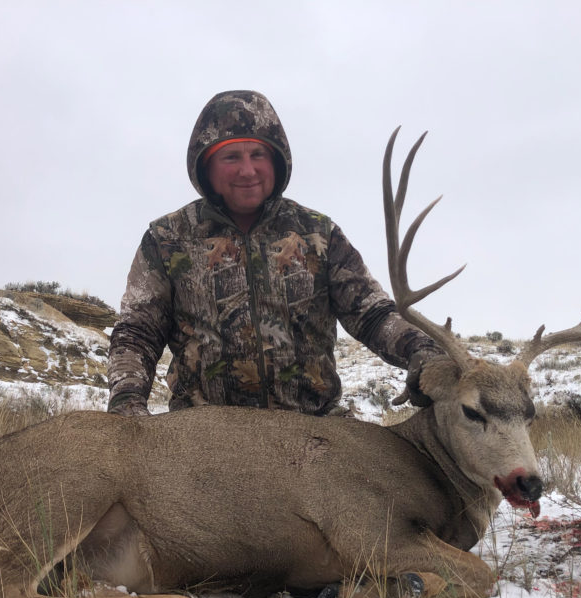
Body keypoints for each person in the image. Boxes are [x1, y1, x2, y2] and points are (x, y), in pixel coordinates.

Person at [107, 90, 441, 418]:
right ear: (206, 165)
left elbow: (372, 314)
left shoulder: (318, 233)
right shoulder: (167, 238)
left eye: (258, 155)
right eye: (231, 157)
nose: (248, 171)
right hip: (204, 437)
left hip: (314, 431)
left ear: (276, 161)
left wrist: (422, 351)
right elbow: (137, 332)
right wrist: (127, 402)